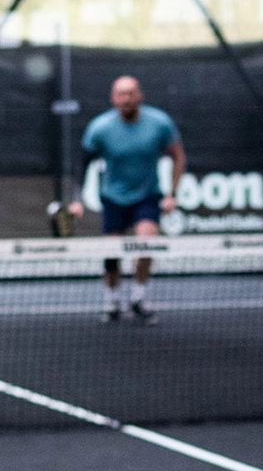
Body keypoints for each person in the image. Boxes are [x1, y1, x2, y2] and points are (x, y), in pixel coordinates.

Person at [69, 75, 186, 323]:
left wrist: (172, 194)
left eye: (131, 93)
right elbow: (82, 164)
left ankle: (138, 299)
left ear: (140, 95)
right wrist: (77, 199)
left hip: (147, 196)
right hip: (113, 198)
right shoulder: (100, 128)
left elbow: (178, 156)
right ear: (113, 98)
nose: (126, 99)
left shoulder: (159, 123)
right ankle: (111, 301)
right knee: (112, 255)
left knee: (146, 245)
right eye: (121, 94)